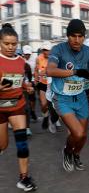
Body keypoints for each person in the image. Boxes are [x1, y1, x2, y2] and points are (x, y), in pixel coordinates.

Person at [47, 19, 89, 172]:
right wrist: (75, 72)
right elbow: (49, 71)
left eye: (80, 36)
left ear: (84, 36)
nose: (77, 40)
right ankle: (67, 152)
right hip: (62, 98)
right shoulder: (58, 49)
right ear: (67, 36)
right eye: (73, 36)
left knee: (82, 137)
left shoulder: (88, 52)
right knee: (77, 132)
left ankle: (76, 154)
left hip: (80, 97)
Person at [0, 23, 37, 191]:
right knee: (3, 145)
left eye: (13, 44)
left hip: (16, 105)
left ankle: (24, 178)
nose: (10, 47)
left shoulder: (21, 61)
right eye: (6, 43)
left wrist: (26, 87)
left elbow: (20, 81)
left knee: (22, 143)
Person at [35, 41, 52, 130]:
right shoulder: (38, 58)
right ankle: (45, 117)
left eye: (48, 50)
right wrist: (36, 79)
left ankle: (53, 118)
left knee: (54, 105)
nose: (46, 52)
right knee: (43, 104)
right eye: (44, 50)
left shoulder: (54, 58)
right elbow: (36, 70)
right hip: (42, 84)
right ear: (42, 50)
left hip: (52, 84)